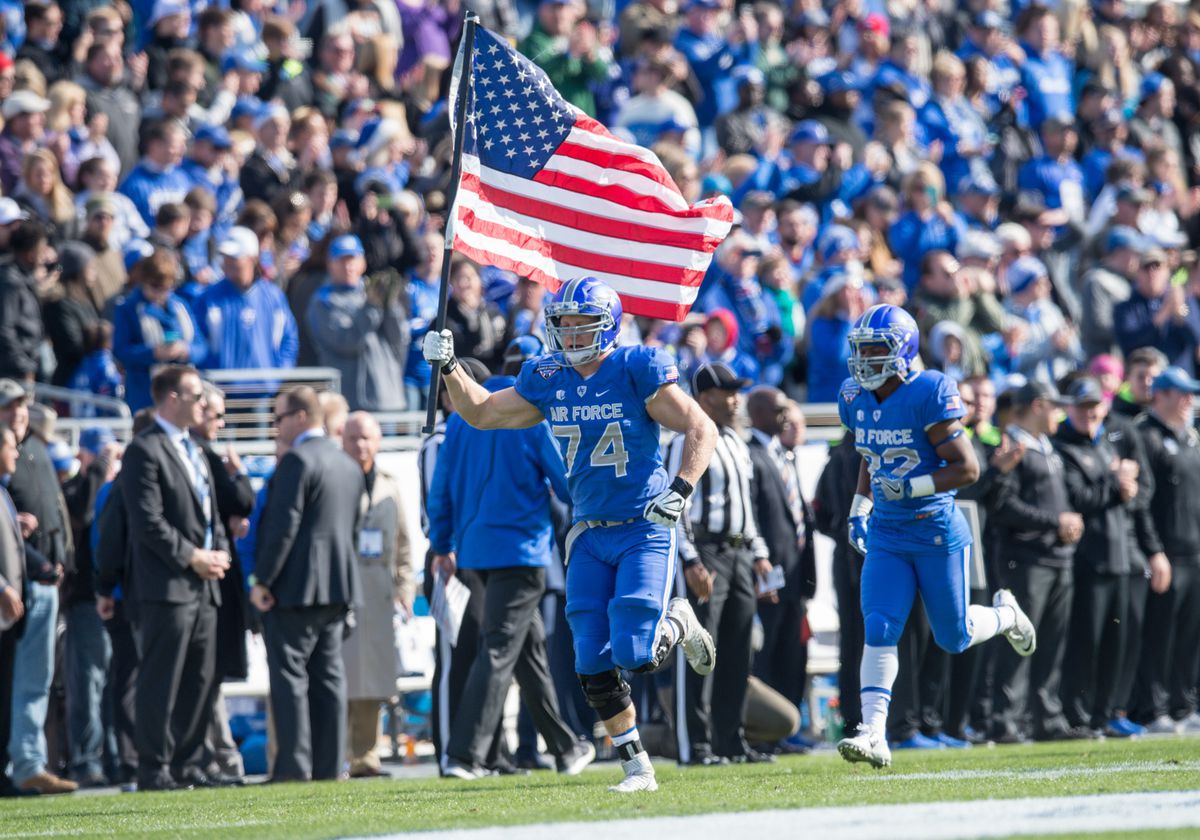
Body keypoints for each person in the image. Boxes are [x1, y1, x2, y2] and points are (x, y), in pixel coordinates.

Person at [423, 276, 718, 793]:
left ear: (608, 326)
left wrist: (680, 489)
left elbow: (701, 427)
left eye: (584, 324)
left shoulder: (636, 367)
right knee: (590, 661)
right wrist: (449, 367)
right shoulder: (548, 376)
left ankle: (678, 618)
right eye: (565, 324)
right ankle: (637, 770)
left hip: (642, 526)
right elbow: (481, 412)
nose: (574, 334)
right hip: (585, 531)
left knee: (636, 652)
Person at [834, 304, 1036, 769]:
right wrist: (860, 506)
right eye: (859, 349)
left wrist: (911, 487)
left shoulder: (929, 391)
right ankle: (874, 733)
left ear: (902, 350)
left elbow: (968, 467)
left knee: (954, 635)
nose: (864, 359)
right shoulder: (854, 396)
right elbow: (871, 449)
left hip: (934, 531)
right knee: (880, 626)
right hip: (887, 531)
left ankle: (1004, 615)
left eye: (874, 349)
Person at [427, 337, 596, 780]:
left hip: (472, 553)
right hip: (521, 553)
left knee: (528, 651)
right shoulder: (532, 415)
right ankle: (464, 755)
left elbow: (440, 489)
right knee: (501, 650)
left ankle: (564, 747)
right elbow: (565, 484)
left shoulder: (466, 415)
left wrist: (443, 543)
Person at [121, 365, 230, 791]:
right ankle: (154, 767)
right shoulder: (144, 450)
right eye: (194, 394)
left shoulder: (194, 449)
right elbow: (147, 522)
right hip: (168, 585)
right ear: (170, 397)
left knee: (199, 679)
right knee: (161, 679)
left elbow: (209, 512)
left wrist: (216, 551)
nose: (202, 404)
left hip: (205, 585)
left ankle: (187, 762)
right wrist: (193, 557)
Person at [251, 386, 365, 782]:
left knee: (290, 679)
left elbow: (283, 528)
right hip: (337, 587)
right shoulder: (347, 463)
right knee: (330, 679)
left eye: (279, 418)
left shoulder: (297, 461)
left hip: (296, 588)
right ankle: (330, 767)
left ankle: (294, 769)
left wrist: (262, 579)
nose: (275, 426)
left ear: (300, 417)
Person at [667, 363, 773, 766]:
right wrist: (689, 558)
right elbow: (675, 504)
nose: (735, 398)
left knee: (736, 651)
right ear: (705, 397)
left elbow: (747, 508)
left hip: (739, 553)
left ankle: (731, 740)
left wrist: (759, 553)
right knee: (699, 649)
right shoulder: (689, 439)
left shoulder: (735, 440)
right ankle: (694, 745)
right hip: (706, 553)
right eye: (727, 391)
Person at [989, 381, 1087, 743]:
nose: (1060, 414)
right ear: (1038, 406)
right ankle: (1005, 721)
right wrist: (1055, 522)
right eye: (1054, 406)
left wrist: (1066, 522)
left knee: (1051, 642)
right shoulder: (1012, 447)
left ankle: (1047, 718)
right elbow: (1003, 507)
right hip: (1025, 559)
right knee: (1018, 642)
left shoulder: (1047, 448)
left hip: (1056, 557)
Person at [1053, 377, 1139, 737]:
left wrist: (1124, 488)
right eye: (1083, 407)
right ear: (1070, 408)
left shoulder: (1105, 444)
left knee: (1115, 643)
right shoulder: (1065, 448)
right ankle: (1078, 714)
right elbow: (1079, 499)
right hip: (1088, 559)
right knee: (1084, 643)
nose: (1090, 413)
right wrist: (1115, 484)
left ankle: (1105, 714)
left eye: (1095, 407)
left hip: (1118, 556)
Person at [340, 411, 415, 778]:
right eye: (353, 438)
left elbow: (403, 542)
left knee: (373, 681)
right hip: (343, 590)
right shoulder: (333, 478)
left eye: (367, 438)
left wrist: (404, 588)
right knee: (343, 676)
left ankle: (367, 756)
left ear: (378, 441)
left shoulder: (390, 482)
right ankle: (338, 756)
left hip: (379, 592)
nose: (361, 445)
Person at [1133, 367, 1200, 733]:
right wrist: (1154, 550)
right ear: (1161, 395)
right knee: (1160, 633)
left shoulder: (1190, 438)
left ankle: (1183, 704)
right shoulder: (1146, 436)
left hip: (1194, 551)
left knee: (1190, 634)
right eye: (1181, 392)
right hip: (1166, 552)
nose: (1189, 399)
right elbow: (1143, 503)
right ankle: (1154, 707)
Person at [747, 390, 815, 750]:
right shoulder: (751, 455)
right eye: (778, 410)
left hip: (793, 578)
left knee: (792, 655)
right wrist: (760, 567)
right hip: (768, 577)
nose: (786, 417)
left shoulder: (782, 454)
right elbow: (753, 517)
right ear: (757, 413)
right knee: (768, 655)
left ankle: (788, 731)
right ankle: (766, 733)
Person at [307, 234, 409, 411]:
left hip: (389, 395)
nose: (348, 266)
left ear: (363, 262)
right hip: (352, 401)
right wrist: (371, 306)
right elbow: (346, 342)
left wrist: (390, 304)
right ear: (330, 264)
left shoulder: (374, 290)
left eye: (353, 259)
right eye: (341, 260)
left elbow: (399, 338)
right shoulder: (323, 301)